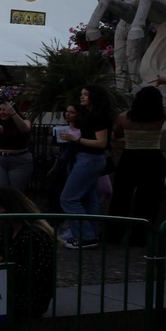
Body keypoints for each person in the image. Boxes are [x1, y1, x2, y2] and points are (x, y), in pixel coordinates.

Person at [109, 78, 166, 239]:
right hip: (152, 158)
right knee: (148, 199)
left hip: (129, 158)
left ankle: (114, 233)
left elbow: (116, 135)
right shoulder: (161, 116)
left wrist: (131, 139)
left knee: (121, 196)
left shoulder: (124, 117)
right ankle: (140, 234)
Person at [0, 188, 55, 320]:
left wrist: (2, 261)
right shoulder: (13, 230)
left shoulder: (34, 235)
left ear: (6, 208)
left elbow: (37, 273)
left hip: (31, 297)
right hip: (20, 291)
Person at [59, 85, 114, 249]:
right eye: (81, 94)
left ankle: (85, 236)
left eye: (85, 94)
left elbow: (101, 142)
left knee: (68, 198)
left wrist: (74, 139)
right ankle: (91, 234)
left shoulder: (98, 116)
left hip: (89, 159)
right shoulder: (92, 115)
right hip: (89, 158)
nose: (81, 97)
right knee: (90, 198)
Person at [0, 100, 33, 193]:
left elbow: (25, 129)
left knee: (15, 194)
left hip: (19, 161)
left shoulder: (25, 121)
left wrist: (13, 113)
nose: (2, 112)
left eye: (5, 109)